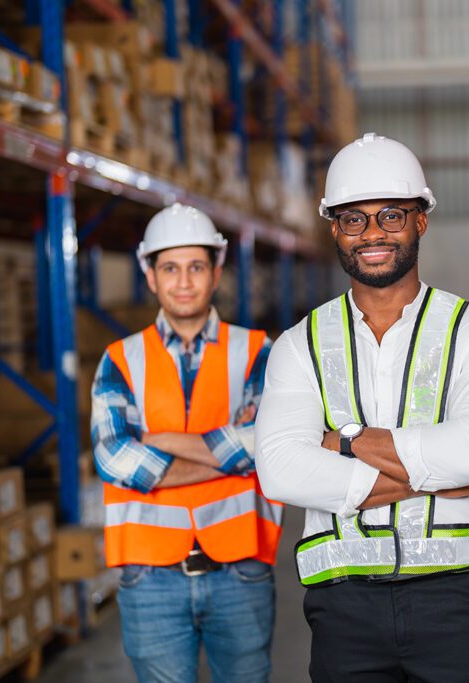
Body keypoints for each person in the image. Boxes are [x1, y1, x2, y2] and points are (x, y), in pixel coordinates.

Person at [256, 132, 469, 682]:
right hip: (342, 607)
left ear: (421, 220)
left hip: (458, 603)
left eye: (391, 216)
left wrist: (344, 443)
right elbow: (280, 470)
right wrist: (439, 478)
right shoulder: (298, 344)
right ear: (335, 228)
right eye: (355, 219)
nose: (372, 234)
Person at [91, 203, 283, 683]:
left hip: (242, 568)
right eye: (170, 268)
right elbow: (115, 457)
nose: (183, 281)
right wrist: (232, 459)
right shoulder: (119, 360)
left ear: (216, 273)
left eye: (196, 267)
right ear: (150, 276)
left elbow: (272, 441)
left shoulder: (258, 351)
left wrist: (162, 441)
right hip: (149, 576)